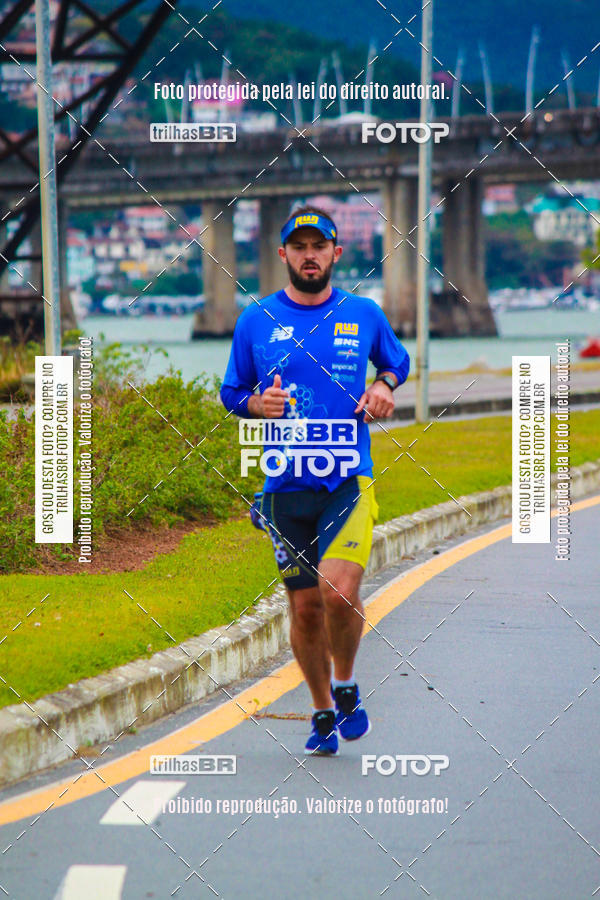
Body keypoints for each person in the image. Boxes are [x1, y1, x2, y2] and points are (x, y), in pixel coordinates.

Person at [220, 205, 410, 755]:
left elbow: (396, 364)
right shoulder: (255, 320)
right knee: (303, 606)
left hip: (347, 477)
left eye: (319, 246)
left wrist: (384, 387)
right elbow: (233, 393)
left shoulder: (363, 314)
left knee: (338, 590)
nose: (310, 256)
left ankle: (345, 683)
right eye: (299, 247)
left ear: (335, 253)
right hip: (284, 488)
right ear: (283, 255)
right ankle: (322, 709)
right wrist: (256, 402)